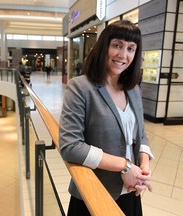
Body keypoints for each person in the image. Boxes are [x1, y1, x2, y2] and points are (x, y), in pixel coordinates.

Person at [59, 20, 154, 216]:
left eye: (131, 48)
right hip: (93, 191)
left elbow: (141, 136)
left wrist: (143, 167)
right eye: (117, 45)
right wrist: (125, 165)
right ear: (104, 47)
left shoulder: (133, 90)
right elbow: (70, 146)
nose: (123, 55)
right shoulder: (81, 87)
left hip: (130, 190)